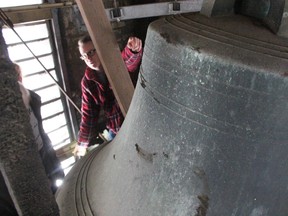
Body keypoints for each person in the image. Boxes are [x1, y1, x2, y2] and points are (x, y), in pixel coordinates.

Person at [73, 35, 143, 157]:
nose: (88, 58)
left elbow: (128, 62)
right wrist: (82, 143)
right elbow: (89, 115)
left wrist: (132, 50)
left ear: (100, 48)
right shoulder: (88, 82)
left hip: (137, 122)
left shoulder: (115, 64)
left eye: (91, 52)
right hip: (116, 131)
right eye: (84, 55)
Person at [14, 63, 65, 194]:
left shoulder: (30, 98)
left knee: (58, 187)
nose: (18, 79)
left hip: (44, 152)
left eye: (18, 75)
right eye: (14, 76)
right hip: (30, 161)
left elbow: (39, 129)